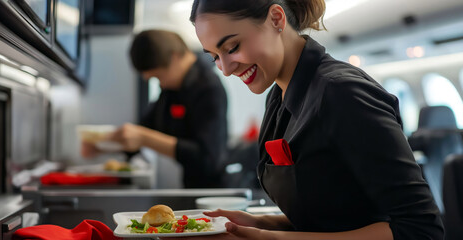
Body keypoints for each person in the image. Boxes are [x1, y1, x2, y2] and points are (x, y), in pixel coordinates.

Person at [165, 0, 444, 239]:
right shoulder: (279, 96)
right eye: (215, 56)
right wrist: (261, 224)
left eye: (233, 47)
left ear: (276, 18)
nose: (225, 69)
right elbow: (339, 215)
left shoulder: (341, 93)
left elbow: (420, 229)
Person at [82, 29, 228, 188]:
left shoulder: (208, 88)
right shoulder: (171, 89)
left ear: (174, 57)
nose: (160, 84)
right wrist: (102, 146)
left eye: (158, 76)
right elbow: (145, 128)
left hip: (213, 192)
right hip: (188, 186)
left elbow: (208, 158)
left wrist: (145, 138)